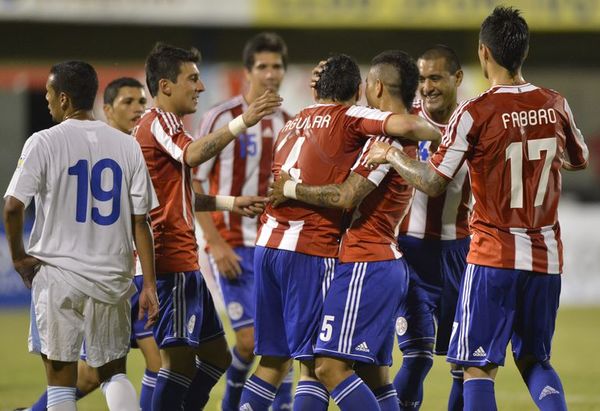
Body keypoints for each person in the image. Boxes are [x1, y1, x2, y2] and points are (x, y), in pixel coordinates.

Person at [366, 7, 589, 411]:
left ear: (482, 53)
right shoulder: (556, 103)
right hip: (544, 256)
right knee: (535, 359)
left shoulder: (475, 112)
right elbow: (578, 159)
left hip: (490, 255)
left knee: (474, 367)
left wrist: (390, 156)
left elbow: (434, 181)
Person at [237, 53, 441, 411]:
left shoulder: (296, 120)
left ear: (375, 87)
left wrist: (289, 190)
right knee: (332, 370)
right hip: (319, 251)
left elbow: (347, 192)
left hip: (279, 244)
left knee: (292, 365)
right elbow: (415, 129)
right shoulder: (358, 123)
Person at [3, 61, 159, 411]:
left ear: (63, 98)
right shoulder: (126, 145)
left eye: (47, 93)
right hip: (111, 278)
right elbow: (141, 220)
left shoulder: (43, 141)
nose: (45, 100)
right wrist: (148, 284)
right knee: (113, 373)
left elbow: (13, 206)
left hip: (58, 277)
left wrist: (18, 258)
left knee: (61, 382)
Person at [134, 42, 282, 411]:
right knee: (180, 362)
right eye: (193, 79)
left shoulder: (160, 126)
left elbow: (178, 193)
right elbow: (194, 154)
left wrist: (230, 203)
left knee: (216, 355)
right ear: (166, 85)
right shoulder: (160, 121)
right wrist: (244, 121)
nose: (200, 87)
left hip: (185, 260)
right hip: (171, 259)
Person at [192, 32, 293, 411]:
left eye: (277, 66)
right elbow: (194, 179)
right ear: (248, 72)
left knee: (278, 343)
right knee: (250, 341)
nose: (270, 74)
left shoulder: (290, 122)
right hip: (230, 243)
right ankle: (232, 399)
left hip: (272, 247)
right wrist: (214, 242)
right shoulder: (220, 117)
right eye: (263, 66)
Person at [392, 45, 471, 411]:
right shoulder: (403, 123)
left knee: (465, 365)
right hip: (412, 256)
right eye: (422, 79)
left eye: (435, 77)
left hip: (462, 256)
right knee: (418, 356)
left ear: (457, 78)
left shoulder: (475, 123)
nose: (427, 86)